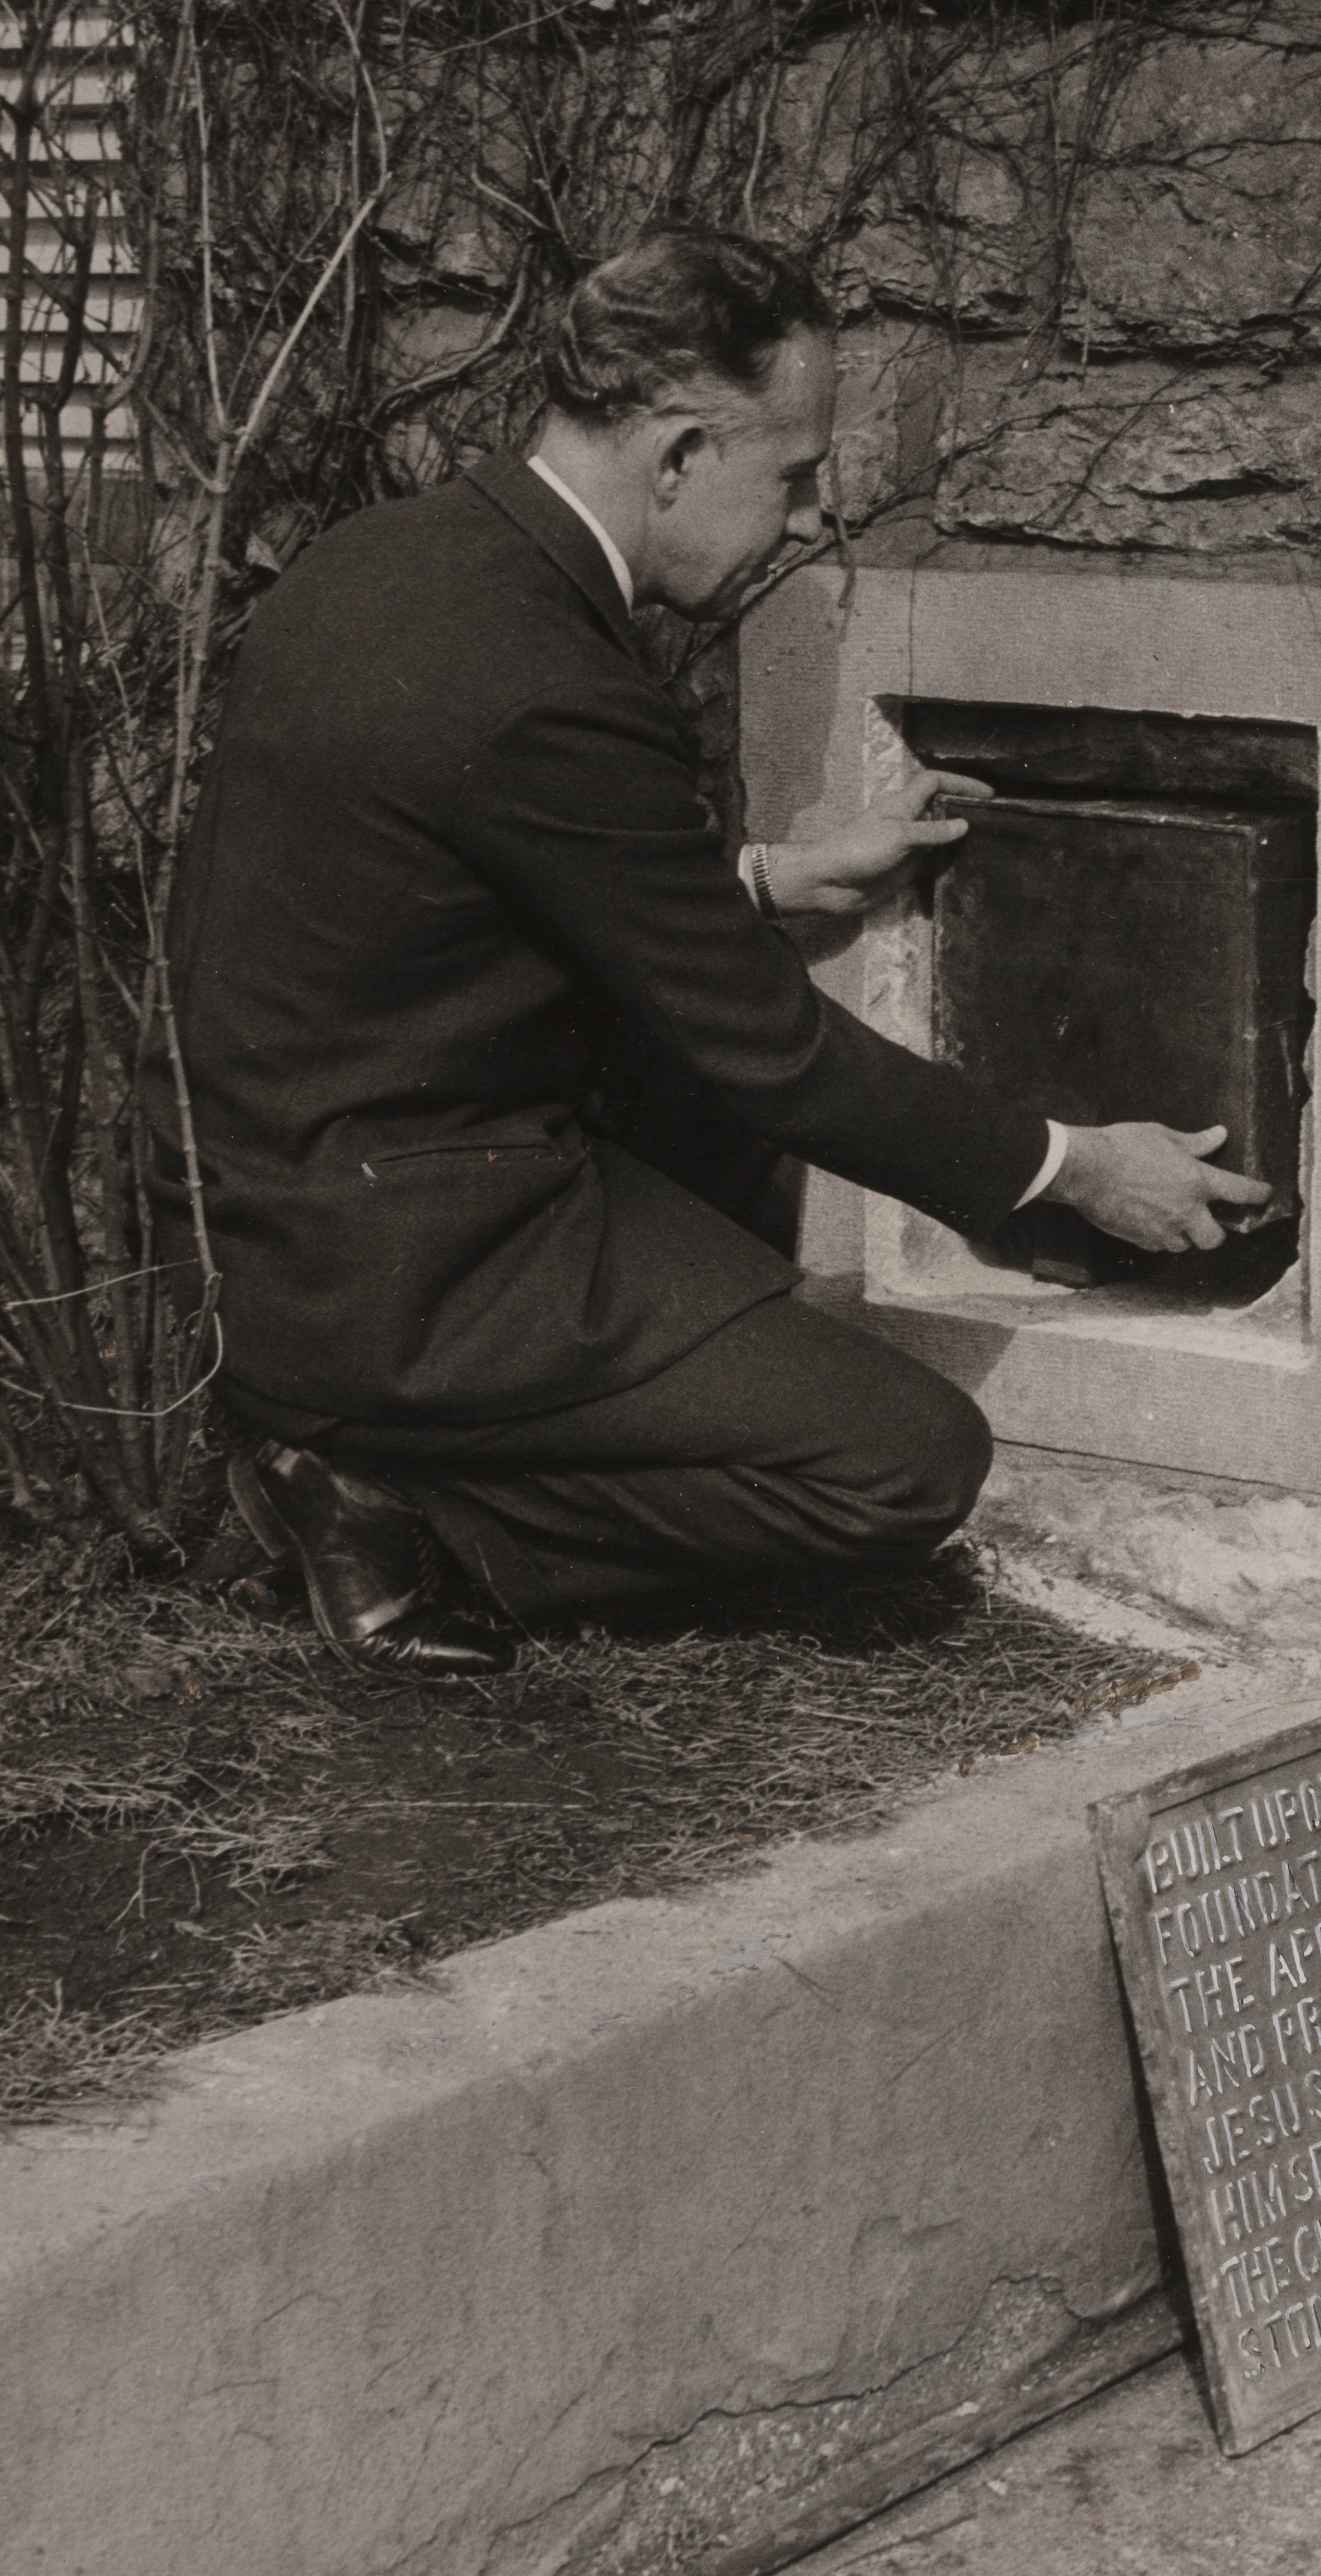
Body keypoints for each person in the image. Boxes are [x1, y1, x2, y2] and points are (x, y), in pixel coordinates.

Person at [153, 226, 1265, 1677]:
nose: (808, 519)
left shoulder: (391, 562)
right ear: (677, 455)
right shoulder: (546, 676)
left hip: (281, 1197)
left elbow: (461, 890)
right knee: (907, 1464)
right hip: (396, 1263)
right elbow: (773, 1054)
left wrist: (764, 876)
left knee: (724, 1177)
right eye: (795, 474)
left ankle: (390, 1450)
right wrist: (1076, 1167)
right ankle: (401, 1515)